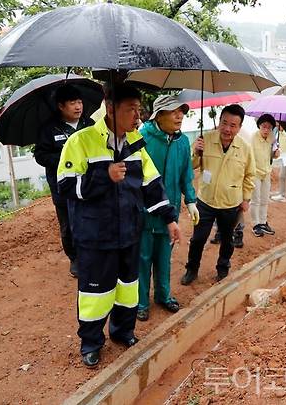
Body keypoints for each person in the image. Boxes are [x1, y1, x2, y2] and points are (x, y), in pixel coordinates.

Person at [57, 83, 181, 368]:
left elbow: (151, 184)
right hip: (95, 236)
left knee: (128, 288)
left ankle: (123, 332)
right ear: (110, 108)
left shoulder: (135, 143)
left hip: (129, 232)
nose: (137, 116)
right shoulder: (81, 141)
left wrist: (169, 218)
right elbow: (64, 187)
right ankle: (91, 342)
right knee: (95, 294)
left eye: (139, 109)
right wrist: (103, 176)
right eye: (131, 109)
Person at [136, 95, 198, 321]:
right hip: (144, 211)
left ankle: (163, 295)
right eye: (173, 112)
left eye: (181, 111)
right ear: (158, 115)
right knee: (142, 258)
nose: (179, 116)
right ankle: (141, 301)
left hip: (169, 211)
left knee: (164, 256)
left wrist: (190, 201)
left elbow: (186, 175)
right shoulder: (142, 138)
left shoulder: (182, 142)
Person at [181, 104, 255, 285]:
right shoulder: (204, 140)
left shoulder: (245, 148)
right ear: (219, 121)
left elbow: (250, 175)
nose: (227, 129)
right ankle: (192, 269)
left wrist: (246, 199)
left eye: (233, 125)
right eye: (224, 123)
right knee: (198, 239)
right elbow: (190, 167)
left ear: (239, 127)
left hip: (231, 203)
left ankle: (223, 268)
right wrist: (196, 153)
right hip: (205, 201)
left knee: (227, 240)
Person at [34, 84, 94, 278]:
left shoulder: (90, 124)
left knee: (91, 218)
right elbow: (41, 156)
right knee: (68, 225)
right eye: (72, 103)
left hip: (88, 184)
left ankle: (92, 253)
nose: (78, 106)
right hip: (63, 187)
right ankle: (75, 258)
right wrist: (65, 157)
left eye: (80, 102)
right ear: (61, 106)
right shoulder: (49, 129)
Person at [250, 113, 279, 237]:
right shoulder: (253, 138)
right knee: (255, 199)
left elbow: (271, 154)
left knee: (264, 199)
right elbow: (249, 157)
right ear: (259, 126)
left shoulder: (272, 138)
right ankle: (255, 224)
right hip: (255, 172)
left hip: (266, 172)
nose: (266, 130)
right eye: (264, 127)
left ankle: (262, 222)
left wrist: (275, 153)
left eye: (269, 127)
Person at [270, 121, 286, 202]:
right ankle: (282, 195)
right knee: (282, 176)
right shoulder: (277, 132)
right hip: (284, 158)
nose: (277, 126)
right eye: (276, 125)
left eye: (278, 125)